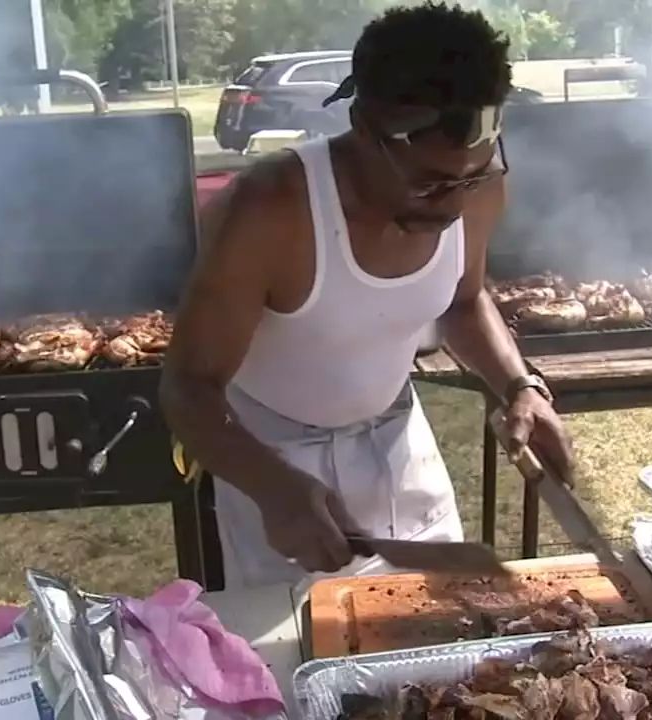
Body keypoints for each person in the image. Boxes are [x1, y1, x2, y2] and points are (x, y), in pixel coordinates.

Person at [161, 1, 574, 589]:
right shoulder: (272, 209)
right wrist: (271, 487)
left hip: (400, 445)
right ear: (363, 128)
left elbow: (462, 301)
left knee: (442, 642)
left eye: (471, 178)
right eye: (429, 184)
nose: (453, 204)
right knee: (299, 658)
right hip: (272, 462)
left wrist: (519, 387)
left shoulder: (478, 189)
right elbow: (187, 388)